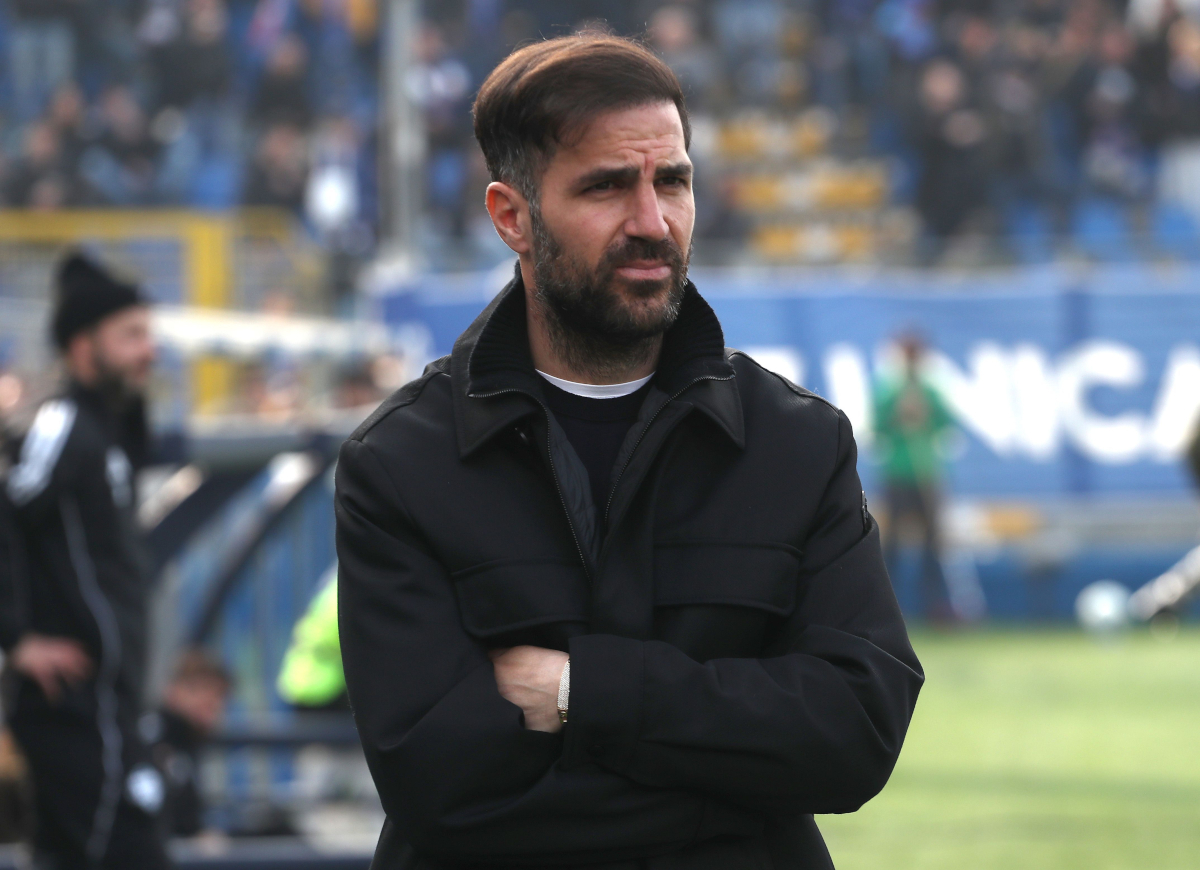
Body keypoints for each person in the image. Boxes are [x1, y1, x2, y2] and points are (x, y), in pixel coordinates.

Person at [336, 34, 923, 869]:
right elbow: (442, 785)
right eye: (607, 186)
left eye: (673, 181)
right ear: (512, 217)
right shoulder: (401, 462)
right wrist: (733, 790)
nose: (653, 223)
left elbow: (855, 732)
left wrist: (579, 693)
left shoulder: (797, 441)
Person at [0, 252, 169, 868]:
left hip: (109, 709)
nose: (148, 350)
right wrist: (15, 640)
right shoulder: (63, 423)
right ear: (81, 345)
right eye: (130, 335)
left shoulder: (105, 427)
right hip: (72, 706)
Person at [872, 333, 956, 620]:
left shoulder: (929, 390)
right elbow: (878, 426)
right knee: (891, 545)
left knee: (932, 546)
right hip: (897, 473)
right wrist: (898, 413)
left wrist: (924, 414)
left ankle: (936, 607)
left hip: (926, 471)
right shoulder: (889, 390)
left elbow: (946, 423)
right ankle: (885, 608)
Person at [141, 649, 231, 838]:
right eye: (198, 689)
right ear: (173, 690)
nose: (211, 701)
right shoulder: (153, 737)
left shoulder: (188, 740)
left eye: (219, 694)